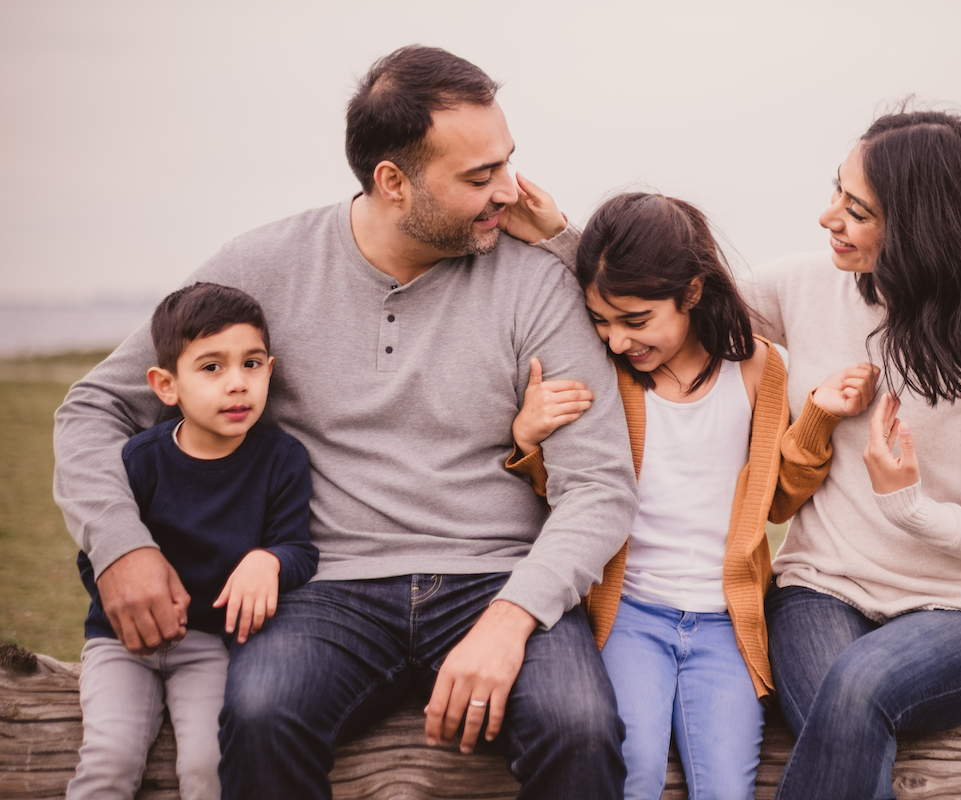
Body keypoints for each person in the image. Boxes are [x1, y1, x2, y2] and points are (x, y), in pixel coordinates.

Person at [53, 45, 638, 800]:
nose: (510, 191)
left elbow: (600, 485)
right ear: (393, 182)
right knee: (260, 714)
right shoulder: (264, 265)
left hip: (498, 575)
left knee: (579, 726)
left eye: (506, 162)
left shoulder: (536, 281)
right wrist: (120, 547)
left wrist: (510, 619)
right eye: (478, 177)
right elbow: (95, 406)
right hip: (325, 586)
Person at [504, 192, 879, 800]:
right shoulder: (611, 373)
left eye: (635, 321)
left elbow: (776, 502)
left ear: (694, 293)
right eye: (602, 322)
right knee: (639, 772)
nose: (617, 339)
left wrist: (816, 420)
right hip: (630, 613)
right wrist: (528, 440)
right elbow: (570, 497)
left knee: (726, 787)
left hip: (726, 625)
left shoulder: (759, 368)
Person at [742, 110, 961, 799]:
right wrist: (560, 238)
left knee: (855, 691)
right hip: (818, 591)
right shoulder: (802, 286)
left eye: (856, 210)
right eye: (837, 193)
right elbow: (672, 292)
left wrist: (909, 505)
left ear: (919, 227)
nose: (828, 217)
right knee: (846, 707)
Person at [66, 282, 319, 800]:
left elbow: (300, 550)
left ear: (270, 371)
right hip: (120, 644)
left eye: (251, 365)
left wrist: (268, 560)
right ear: (166, 385)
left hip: (210, 645)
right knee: (109, 761)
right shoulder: (140, 459)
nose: (236, 384)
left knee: (208, 767)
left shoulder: (282, 460)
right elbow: (96, 556)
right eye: (211, 367)